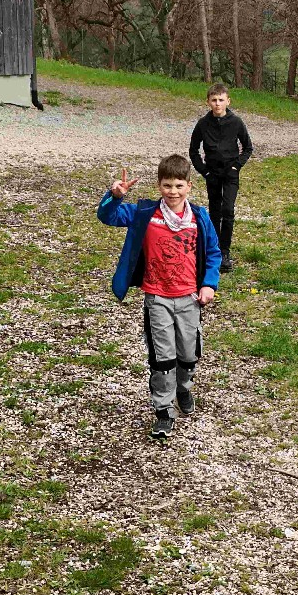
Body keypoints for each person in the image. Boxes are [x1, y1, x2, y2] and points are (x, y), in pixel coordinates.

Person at [97, 155, 221, 440]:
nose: (173, 192)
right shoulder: (145, 213)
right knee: (163, 357)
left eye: (179, 185)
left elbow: (214, 253)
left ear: (189, 186)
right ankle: (164, 410)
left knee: (188, 354)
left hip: (190, 298)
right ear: (159, 186)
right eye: (167, 185)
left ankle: (184, 389)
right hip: (157, 298)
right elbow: (108, 216)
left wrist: (209, 284)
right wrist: (115, 197)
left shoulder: (199, 218)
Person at [188, 83, 253, 273]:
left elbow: (248, 147)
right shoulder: (203, 124)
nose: (217, 104)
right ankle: (215, 250)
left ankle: (225, 251)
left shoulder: (236, 122)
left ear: (228, 101)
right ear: (208, 102)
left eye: (221, 100)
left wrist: (236, 166)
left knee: (228, 210)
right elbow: (193, 150)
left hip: (230, 173)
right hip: (212, 173)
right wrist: (204, 171)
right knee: (215, 212)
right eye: (214, 100)